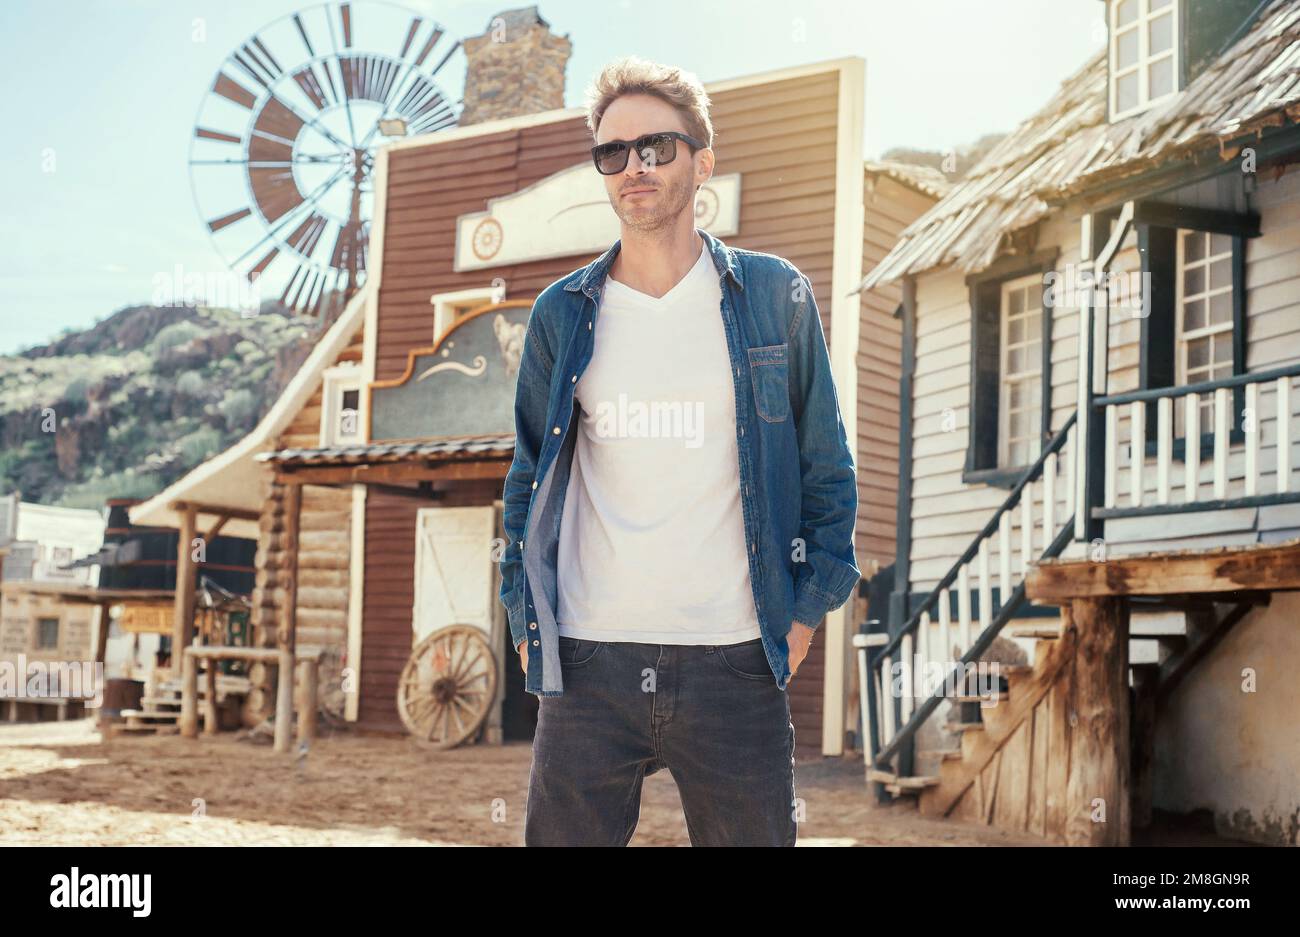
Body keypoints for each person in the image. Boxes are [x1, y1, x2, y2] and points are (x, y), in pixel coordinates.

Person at [499, 56, 860, 846]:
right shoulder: (562, 314)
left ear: (703, 158)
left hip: (734, 664)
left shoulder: (775, 297)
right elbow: (526, 480)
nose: (634, 167)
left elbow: (827, 473)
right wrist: (529, 622)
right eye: (613, 152)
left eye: (656, 147)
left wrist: (799, 621)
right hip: (588, 667)